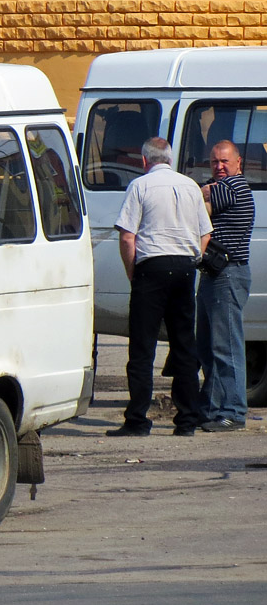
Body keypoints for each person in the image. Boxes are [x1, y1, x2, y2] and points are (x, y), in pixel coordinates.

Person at [108, 137, 212, 437]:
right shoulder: (191, 186)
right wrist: (193, 259)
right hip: (184, 268)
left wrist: (134, 273)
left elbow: (128, 236)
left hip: (151, 268)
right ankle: (187, 420)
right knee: (183, 345)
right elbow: (206, 234)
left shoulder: (140, 186)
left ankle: (138, 420)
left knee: (142, 347)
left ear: (144, 161)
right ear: (170, 158)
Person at [196, 140, 255, 432]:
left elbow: (195, 202)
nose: (219, 167)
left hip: (228, 275)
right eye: (214, 162)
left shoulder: (235, 188)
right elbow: (200, 199)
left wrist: (203, 191)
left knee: (226, 347)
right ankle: (210, 408)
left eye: (225, 162)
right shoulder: (220, 188)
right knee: (206, 347)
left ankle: (233, 411)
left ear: (238, 164)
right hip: (212, 274)